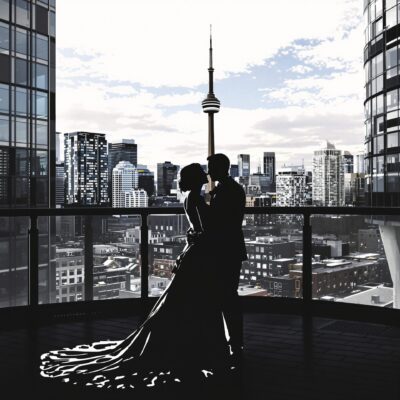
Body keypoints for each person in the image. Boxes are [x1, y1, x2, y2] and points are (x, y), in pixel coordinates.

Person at [40, 163, 232, 393]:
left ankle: (182, 344)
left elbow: (198, 229)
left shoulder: (192, 198)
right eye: (202, 173)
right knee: (195, 302)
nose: (206, 174)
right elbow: (206, 230)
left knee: (181, 302)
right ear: (196, 178)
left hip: (195, 254)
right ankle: (196, 347)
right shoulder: (197, 199)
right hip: (199, 256)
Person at [206, 153, 247, 363]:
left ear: (222, 168)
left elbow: (219, 221)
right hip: (230, 248)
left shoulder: (226, 191)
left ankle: (233, 341)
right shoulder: (232, 189)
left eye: (211, 167)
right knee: (227, 295)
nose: (209, 171)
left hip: (225, 249)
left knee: (226, 296)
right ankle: (234, 340)